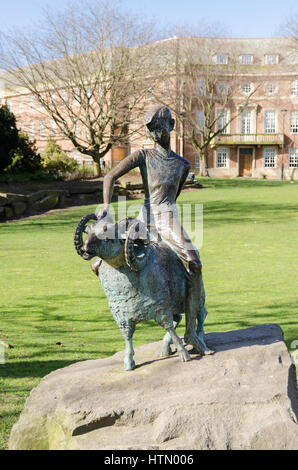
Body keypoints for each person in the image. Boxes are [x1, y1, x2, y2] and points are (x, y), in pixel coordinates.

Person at [98, 105, 206, 352]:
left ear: (171, 125)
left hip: (166, 217)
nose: (156, 135)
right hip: (144, 217)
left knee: (194, 264)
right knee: (100, 257)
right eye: (151, 131)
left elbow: (172, 198)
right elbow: (109, 177)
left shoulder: (182, 165)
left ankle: (191, 331)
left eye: (159, 128)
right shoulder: (143, 156)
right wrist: (106, 206)